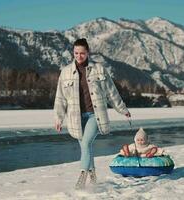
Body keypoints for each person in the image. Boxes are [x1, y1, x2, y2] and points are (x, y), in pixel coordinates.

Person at [53, 38, 131, 189]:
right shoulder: (66, 72)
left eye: (82, 53)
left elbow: (111, 93)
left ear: (88, 53)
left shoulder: (99, 70)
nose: (79, 56)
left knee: (86, 143)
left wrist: (122, 109)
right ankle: (93, 174)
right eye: (76, 53)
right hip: (75, 118)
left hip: (95, 115)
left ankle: (83, 175)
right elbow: (60, 98)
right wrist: (58, 118)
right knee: (85, 147)